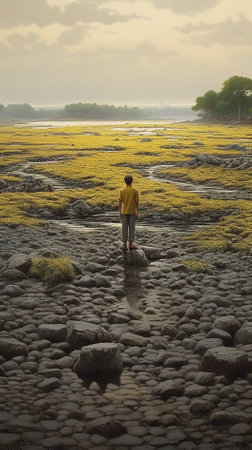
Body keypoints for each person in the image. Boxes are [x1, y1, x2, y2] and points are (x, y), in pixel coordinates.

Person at [119, 174, 139, 250]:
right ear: (132, 181)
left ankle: (124, 244)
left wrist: (120, 212)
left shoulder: (122, 190)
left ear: (125, 181)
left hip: (124, 212)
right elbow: (137, 203)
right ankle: (131, 244)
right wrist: (137, 212)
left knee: (124, 228)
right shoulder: (135, 191)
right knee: (131, 228)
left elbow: (120, 202)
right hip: (132, 212)